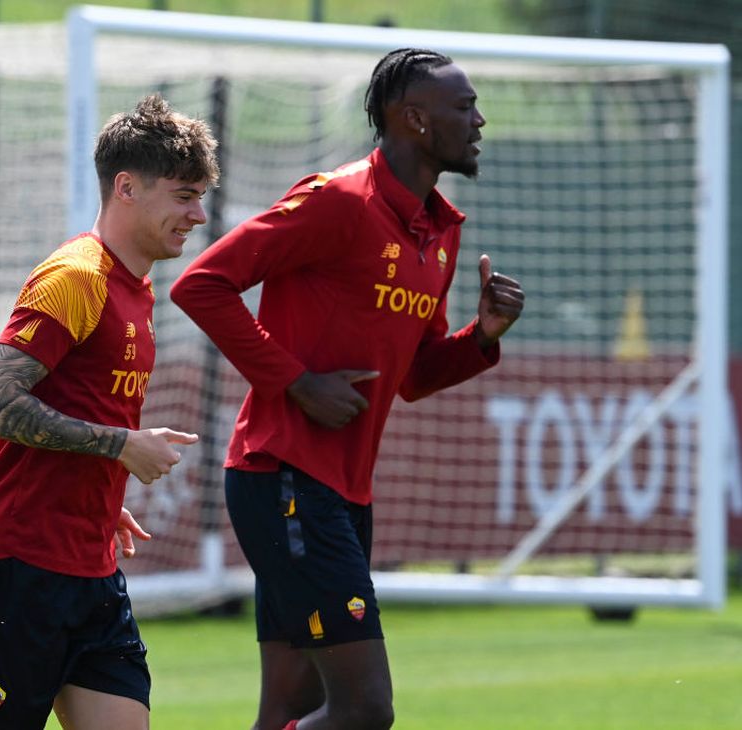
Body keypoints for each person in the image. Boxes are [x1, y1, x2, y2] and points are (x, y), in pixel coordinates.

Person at [170, 49, 525, 730]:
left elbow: (414, 376)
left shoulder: (441, 232)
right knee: (364, 711)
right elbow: (201, 284)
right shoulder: (337, 200)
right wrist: (296, 383)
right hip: (284, 480)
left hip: (340, 491)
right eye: (464, 106)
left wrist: (481, 336)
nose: (479, 121)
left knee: (290, 710)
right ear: (415, 119)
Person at [0, 93, 220, 730]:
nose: (199, 215)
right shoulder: (76, 277)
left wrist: (95, 484)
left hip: (91, 566)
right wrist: (120, 447)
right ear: (127, 187)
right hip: (18, 565)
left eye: (200, 197)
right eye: (183, 195)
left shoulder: (138, 289)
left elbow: (76, 404)